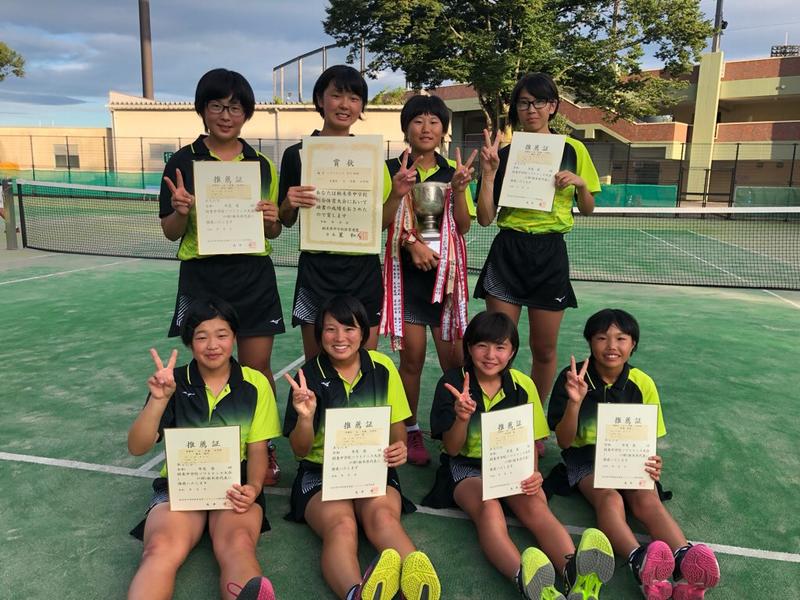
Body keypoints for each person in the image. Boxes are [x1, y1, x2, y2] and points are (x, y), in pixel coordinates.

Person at [422, 311, 614, 600]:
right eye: (482, 345)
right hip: (466, 468)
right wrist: (461, 417)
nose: (491, 355)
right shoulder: (452, 384)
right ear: (469, 347)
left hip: (511, 466)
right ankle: (529, 583)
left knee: (535, 505)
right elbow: (451, 449)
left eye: (500, 347)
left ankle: (577, 576)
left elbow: (529, 440)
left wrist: (533, 473)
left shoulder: (523, 385)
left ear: (512, 351)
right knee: (489, 509)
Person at [159, 68, 283, 484]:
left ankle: (263, 446)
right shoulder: (182, 162)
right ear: (203, 110)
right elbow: (170, 232)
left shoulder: (261, 164)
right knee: (207, 363)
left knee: (257, 367)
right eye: (216, 106)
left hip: (253, 276)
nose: (226, 115)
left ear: (246, 113)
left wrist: (272, 219)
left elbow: (272, 231)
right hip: (203, 277)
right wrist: (180, 211)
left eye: (234, 107)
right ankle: (209, 445)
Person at [547, 309, 721, 600]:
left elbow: (646, 439)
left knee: (647, 498)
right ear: (590, 342)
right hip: (584, 459)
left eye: (621, 339)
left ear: (633, 345)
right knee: (610, 499)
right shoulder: (573, 379)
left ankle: (684, 560)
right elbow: (564, 442)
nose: (611, 346)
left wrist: (653, 461)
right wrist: (575, 402)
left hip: (629, 456)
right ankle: (638, 560)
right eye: (601, 338)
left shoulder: (642, 383)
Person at [283, 295, 441, 600]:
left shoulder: (381, 367)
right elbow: (300, 451)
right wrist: (305, 417)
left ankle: (415, 585)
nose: (340, 338)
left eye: (349, 328)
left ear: (363, 332)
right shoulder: (308, 377)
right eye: (330, 329)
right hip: (320, 474)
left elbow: (396, 427)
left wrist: (399, 448)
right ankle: (356, 593)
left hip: (372, 468)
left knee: (383, 518)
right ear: (319, 334)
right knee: (341, 526)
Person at [127, 298, 281, 600]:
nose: (212, 345)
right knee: (159, 548)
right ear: (189, 342)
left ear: (234, 337)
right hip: (180, 487)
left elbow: (258, 449)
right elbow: (137, 446)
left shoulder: (255, 384)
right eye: (201, 336)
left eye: (222, 335)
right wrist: (158, 400)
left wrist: (253, 486)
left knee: (238, 544)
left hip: (235, 487)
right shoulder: (171, 383)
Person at [474, 72, 600, 430]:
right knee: (499, 345)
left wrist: (581, 185)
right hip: (508, 252)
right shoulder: (504, 154)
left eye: (539, 102)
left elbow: (588, 208)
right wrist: (488, 174)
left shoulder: (573, 150)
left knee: (544, 349)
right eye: (524, 103)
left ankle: (533, 421)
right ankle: (500, 419)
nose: (531, 109)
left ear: (553, 106)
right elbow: (484, 218)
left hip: (550, 254)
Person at [278, 65, 419, 360]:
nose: (345, 105)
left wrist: (396, 194)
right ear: (320, 99)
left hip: (362, 271)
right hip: (316, 271)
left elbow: (379, 223)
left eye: (354, 98)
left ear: (361, 106)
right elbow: (286, 221)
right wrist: (289, 203)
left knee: (364, 363)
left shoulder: (371, 156)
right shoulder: (296, 155)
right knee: (317, 365)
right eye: (337, 95)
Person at [380, 93, 476, 466]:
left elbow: (463, 226)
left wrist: (462, 190)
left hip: (447, 283)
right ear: (406, 128)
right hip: (407, 282)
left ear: (443, 130)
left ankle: (453, 427)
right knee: (412, 361)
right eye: (417, 120)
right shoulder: (390, 168)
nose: (426, 128)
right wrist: (410, 242)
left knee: (455, 361)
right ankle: (411, 429)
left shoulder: (453, 172)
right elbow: (382, 221)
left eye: (434, 121)